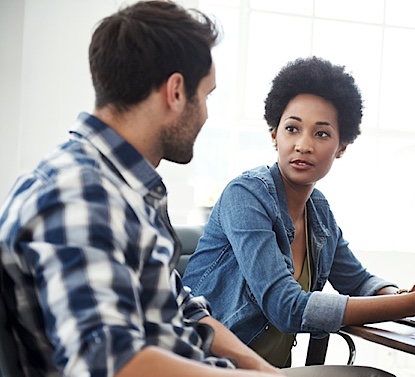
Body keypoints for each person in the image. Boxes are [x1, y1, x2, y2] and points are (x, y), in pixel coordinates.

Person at [0, 2, 380, 377]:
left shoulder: (127, 192)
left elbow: (188, 313)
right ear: (177, 92)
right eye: (207, 95)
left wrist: (267, 373)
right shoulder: (79, 195)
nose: (206, 114)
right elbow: (111, 363)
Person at [182, 56, 415, 368]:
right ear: (274, 135)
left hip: (268, 372)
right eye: (292, 129)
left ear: (341, 148)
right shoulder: (246, 195)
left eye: (322, 133)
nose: (304, 145)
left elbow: (359, 281)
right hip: (203, 366)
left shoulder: (319, 212)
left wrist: (408, 294)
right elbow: (286, 308)